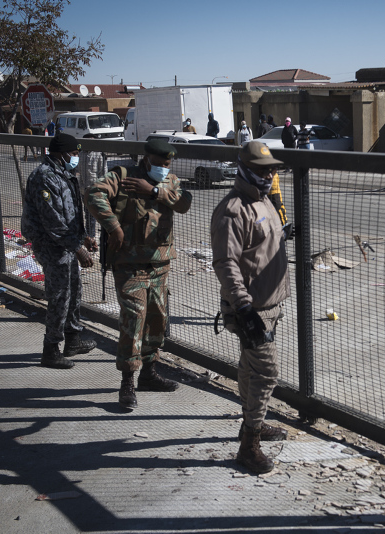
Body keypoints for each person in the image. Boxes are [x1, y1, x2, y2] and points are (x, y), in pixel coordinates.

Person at [85, 139, 193, 410]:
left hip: (159, 264)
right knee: (134, 320)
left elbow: (184, 203)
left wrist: (154, 190)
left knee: (156, 321)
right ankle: (127, 381)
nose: (163, 168)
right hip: (129, 264)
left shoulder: (169, 181)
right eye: (158, 163)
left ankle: (149, 374)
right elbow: (93, 193)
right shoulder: (123, 176)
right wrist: (113, 227)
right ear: (146, 159)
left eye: (167, 164)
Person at [211, 141, 291, 474]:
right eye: (261, 170)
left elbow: (260, 243)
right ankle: (249, 445)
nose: (268, 175)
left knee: (249, 367)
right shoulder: (233, 210)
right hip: (249, 309)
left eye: (271, 169)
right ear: (243, 169)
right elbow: (226, 263)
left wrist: (285, 234)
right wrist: (243, 309)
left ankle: (251, 421)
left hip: (269, 304)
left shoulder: (264, 201)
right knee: (267, 372)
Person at [21, 133, 98, 370]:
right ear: (60, 153)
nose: (75, 158)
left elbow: (71, 213)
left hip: (66, 243)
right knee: (60, 295)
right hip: (51, 244)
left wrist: (83, 238)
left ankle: (73, 340)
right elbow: (52, 221)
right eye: (73, 154)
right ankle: (51, 349)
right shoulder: (44, 177)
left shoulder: (64, 174)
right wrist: (78, 248)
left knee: (73, 291)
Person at [78, 134, 105, 238]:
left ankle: (91, 235)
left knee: (93, 214)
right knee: (86, 213)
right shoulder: (81, 154)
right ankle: (88, 234)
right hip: (83, 189)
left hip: (94, 190)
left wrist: (100, 189)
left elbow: (103, 173)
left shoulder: (99, 155)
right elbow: (78, 171)